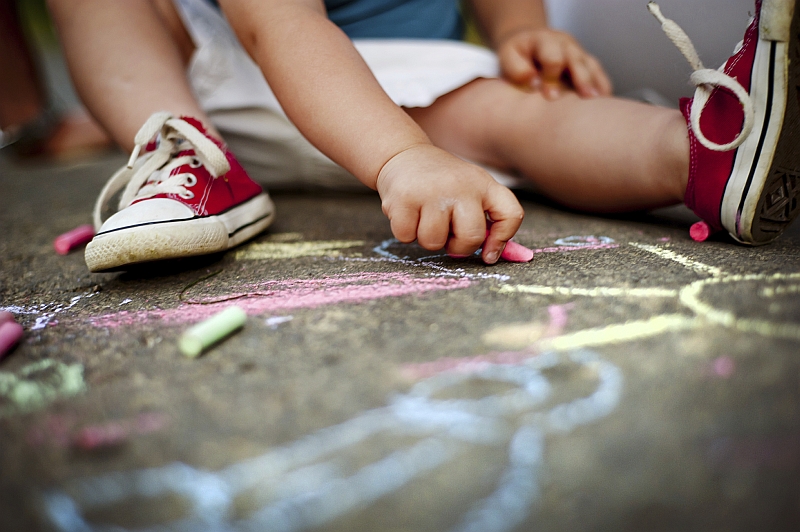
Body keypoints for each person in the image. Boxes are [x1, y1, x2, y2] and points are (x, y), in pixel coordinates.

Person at [46, 0, 800, 273]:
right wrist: (400, 158)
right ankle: (176, 150)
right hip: (225, 76)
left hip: (411, 82)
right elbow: (279, 24)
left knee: (526, 115)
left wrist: (521, 30)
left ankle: (704, 156)